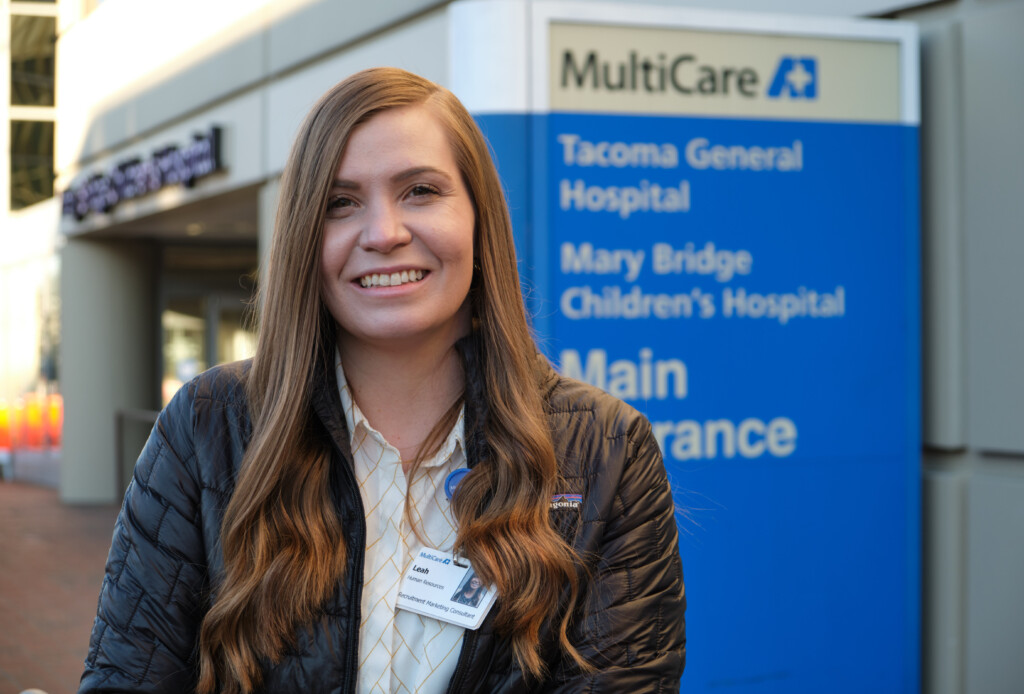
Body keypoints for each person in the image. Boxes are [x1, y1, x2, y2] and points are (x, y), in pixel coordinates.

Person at [78, 67, 685, 694]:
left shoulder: (605, 448)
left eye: (420, 190)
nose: (384, 233)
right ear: (304, 240)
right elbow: (128, 677)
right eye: (341, 203)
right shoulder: (209, 424)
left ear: (479, 219)